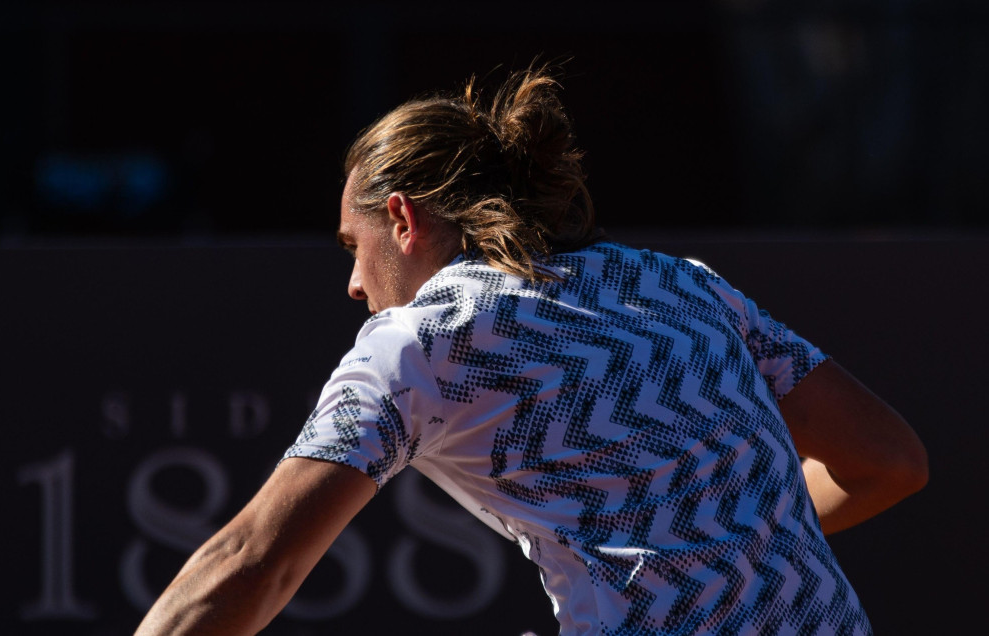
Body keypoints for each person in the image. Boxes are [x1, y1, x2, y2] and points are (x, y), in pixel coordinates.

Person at [135, 65, 928, 635]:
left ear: (404, 221)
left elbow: (254, 560)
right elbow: (888, 460)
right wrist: (709, 555)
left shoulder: (420, 342)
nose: (351, 282)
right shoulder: (682, 283)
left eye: (354, 244)